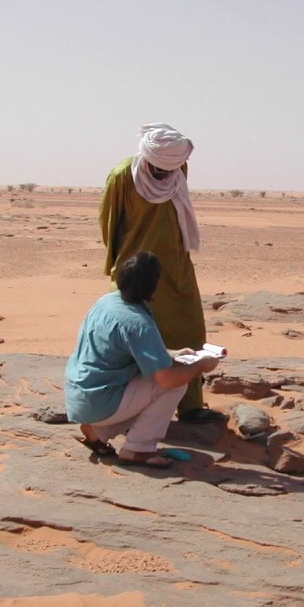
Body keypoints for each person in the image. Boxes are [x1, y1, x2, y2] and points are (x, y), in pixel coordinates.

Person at [98, 123, 228, 425]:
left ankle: (191, 405)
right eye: (157, 169)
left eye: (169, 169)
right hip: (137, 270)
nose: (163, 175)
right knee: (138, 336)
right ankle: (133, 403)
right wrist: (119, 267)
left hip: (175, 267)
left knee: (190, 330)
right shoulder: (122, 177)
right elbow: (109, 224)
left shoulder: (178, 172)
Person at [64, 251, 222, 468]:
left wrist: (173, 354)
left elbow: (126, 347)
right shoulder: (138, 323)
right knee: (175, 385)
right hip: (99, 401)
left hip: (79, 396)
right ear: (153, 284)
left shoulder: (106, 301)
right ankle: (138, 450)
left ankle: (99, 431)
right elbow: (167, 379)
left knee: (160, 377)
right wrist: (200, 366)